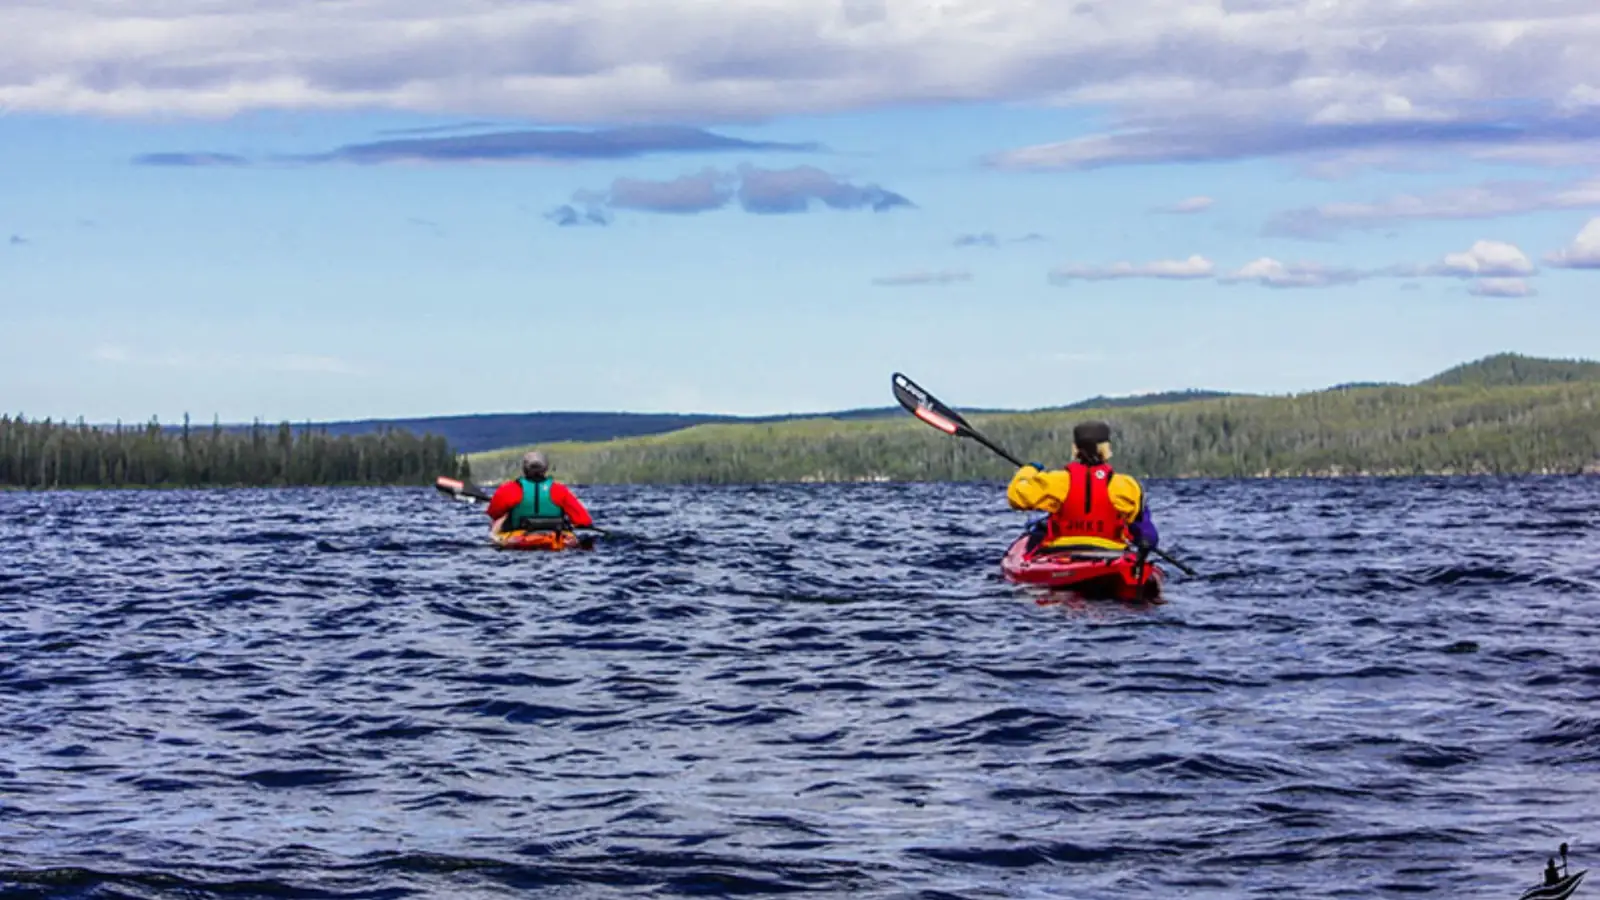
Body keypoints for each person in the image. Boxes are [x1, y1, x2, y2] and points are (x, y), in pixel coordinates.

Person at [1005, 420, 1159, 553]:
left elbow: (1016, 496)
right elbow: (1146, 532)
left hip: (1062, 552)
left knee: (1036, 530)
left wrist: (1029, 470)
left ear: (1076, 449)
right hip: (1111, 553)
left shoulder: (1056, 481)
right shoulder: (1126, 485)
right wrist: (1145, 541)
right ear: (1106, 449)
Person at [485, 450, 592, 534]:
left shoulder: (509, 489)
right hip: (554, 535)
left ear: (524, 469)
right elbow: (584, 520)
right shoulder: (560, 490)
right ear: (545, 469)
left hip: (518, 536)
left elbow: (493, 513)